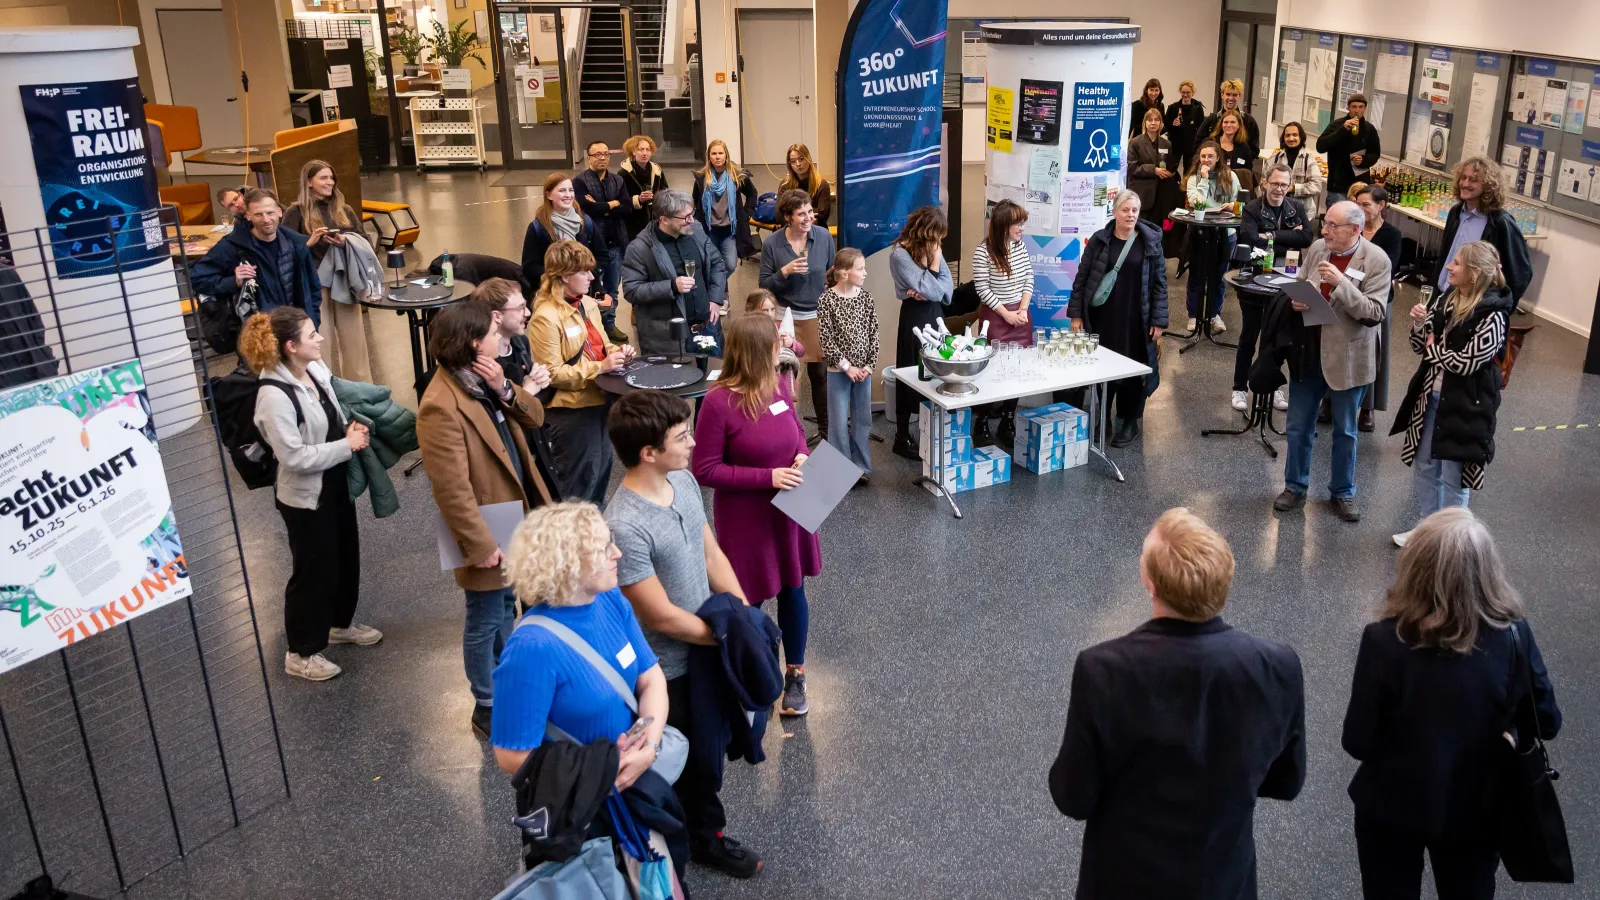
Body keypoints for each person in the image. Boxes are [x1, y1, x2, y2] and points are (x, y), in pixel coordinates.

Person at [1050, 507, 1305, 899]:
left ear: (1150, 584)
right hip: (1221, 880)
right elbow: (1287, 782)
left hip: (1125, 881)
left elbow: (1073, 797)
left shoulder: (1103, 670)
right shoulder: (1278, 666)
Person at [1342, 507, 1560, 899]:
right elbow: (1548, 721)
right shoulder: (1513, 635)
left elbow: (1358, 741)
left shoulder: (1384, 640)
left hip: (1393, 805)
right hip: (1479, 807)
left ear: (1416, 567)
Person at [604, 390, 763, 878]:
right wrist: (727, 638)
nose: (694, 443)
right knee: (683, 764)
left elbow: (710, 552)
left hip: (710, 644)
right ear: (648, 452)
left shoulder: (684, 482)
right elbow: (660, 616)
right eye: (681, 437)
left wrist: (741, 616)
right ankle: (684, 843)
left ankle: (702, 832)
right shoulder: (625, 525)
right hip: (668, 670)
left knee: (710, 755)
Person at [417, 302, 554, 736]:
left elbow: (535, 416)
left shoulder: (485, 378)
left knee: (503, 607)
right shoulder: (441, 404)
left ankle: (506, 680)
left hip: (512, 510)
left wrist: (507, 390)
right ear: (475, 344)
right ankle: (485, 702)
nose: (503, 340)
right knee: (484, 616)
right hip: (484, 521)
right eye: (495, 334)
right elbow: (451, 488)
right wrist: (478, 546)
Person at [237, 308, 378, 682]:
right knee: (313, 571)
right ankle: (300, 653)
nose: (319, 339)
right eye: (311, 334)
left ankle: (338, 624)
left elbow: (333, 405)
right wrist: (347, 446)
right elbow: (294, 457)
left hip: (334, 482)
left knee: (345, 558)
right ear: (290, 346)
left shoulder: (313, 369)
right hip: (304, 497)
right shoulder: (272, 395)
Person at [489, 501, 670, 792]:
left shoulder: (611, 600)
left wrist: (648, 747)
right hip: (584, 801)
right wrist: (601, 769)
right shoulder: (530, 649)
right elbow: (511, 756)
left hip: (634, 778)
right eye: (604, 549)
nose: (617, 553)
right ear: (566, 564)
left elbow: (652, 679)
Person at [691, 315, 820, 717]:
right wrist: (768, 477)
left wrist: (801, 452)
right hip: (747, 519)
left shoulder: (778, 382)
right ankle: (750, 672)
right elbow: (705, 469)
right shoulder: (717, 401)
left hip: (790, 509)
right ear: (753, 353)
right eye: (773, 347)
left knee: (793, 589)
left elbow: (796, 427)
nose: (782, 352)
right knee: (750, 600)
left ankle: (795, 675)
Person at [1389, 243, 1512, 549]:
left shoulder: (1493, 315)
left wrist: (1434, 348)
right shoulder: (1448, 299)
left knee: (1453, 477)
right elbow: (1421, 347)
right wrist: (1419, 324)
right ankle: (1427, 530)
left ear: (1474, 273)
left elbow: (1467, 363)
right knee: (1426, 465)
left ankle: (1453, 541)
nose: (1448, 267)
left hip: (1466, 406)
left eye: (1456, 264)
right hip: (1430, 398)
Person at [1274, 201, 1390, 523]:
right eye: (1324, 224)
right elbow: (1301, 281)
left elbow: (1375, 313)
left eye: (1331, 226)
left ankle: (1343, 491)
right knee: (1298, 426)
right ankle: (1295, 487)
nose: (1323, 230)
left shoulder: (1377, 260)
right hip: (1309, 350)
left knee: (1346, 430)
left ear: (1355, 229)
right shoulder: (1317, 249)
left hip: (1349, 357)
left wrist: (1343, 284)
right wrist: (1298, 299)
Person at [528, 240, 636, 507]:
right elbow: (552, 373)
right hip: (571, 413)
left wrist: (618, 352)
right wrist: (601, 367)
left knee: (600, 476)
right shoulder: (546, 317)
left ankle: (594, 540)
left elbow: (599, 343)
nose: (592, 277)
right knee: (578, 488)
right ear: (564, 276)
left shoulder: (586, 303)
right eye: (584, 272)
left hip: (600, 401)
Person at [1067, 192, 1166, 448]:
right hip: (1104, 318)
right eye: (1125, 210)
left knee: (1133, 371)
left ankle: (1128, 420)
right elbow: (1082, 278)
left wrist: (1159, 320)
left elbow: (1159, 285)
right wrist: (1076, 314)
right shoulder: (1100, 241)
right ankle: (1103, 419)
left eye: (1134, 210)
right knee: (1103, 368)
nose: (1131, 215)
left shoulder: (1150, 242)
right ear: (1114, 212)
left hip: (1136, 319)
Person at [468, 277, 562, 501]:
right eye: (520, 308)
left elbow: (539, 403)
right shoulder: (483, 365)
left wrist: (540, 383)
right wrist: (527, 390)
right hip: (510, 460)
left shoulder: (521, 344)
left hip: (535, 448)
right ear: (496, 316)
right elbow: (495, 421)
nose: (528, 313)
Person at [281, 160, 370, 383]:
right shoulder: (295, 212)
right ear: (309, 182)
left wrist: (344, 241)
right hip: (315, 285)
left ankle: (361, 390)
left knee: (354, 343)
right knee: (319, 341)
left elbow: (366, 241)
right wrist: (308, 243)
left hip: (345, 281)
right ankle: (322, 389)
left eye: (331, 178)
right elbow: (285, 251)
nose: (329, 182)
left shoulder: (344, 209)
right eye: (323, 178)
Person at [758, 189, 836, 442]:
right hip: (784, 317)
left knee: (820, 376)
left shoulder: (823, 237)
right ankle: (787, 433)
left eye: (810, 212)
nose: (808, 218)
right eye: (801, 213)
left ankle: (826, 432)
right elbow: (764, 285)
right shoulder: (772, 244)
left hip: (815, 315)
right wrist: (785, 271)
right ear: (788, 217)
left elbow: (831, 273)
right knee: (784, 378)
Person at [1236, 164, 1313, 412]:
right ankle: (1239, 388)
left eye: (1284, 184)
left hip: (1288, 279)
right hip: (1255, 277)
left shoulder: (1297, 207)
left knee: (1279, 337)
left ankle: (1275, 387)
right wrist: (1289, 234)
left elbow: (1307, 238)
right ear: (1265, 183)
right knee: (1250, 334)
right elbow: (1249, 238)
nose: (1279, 189)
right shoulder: (1251, 208)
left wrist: (1270, 235)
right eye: (1275, 183)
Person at [620, 189, 729, 357]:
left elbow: (717, 264)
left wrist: (715, 299)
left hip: (707, 329)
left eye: (692, 213)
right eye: (685, 217)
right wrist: (671, 286)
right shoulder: (639, 249)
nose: (691, 220)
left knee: (713, 379)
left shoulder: (696, 231)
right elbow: (632, 290)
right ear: (664, 220)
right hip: (667, 340)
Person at [192, 188, 322, 327]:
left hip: (296, 329)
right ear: (248, 215)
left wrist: (313, 321)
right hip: (259, 335)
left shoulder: (296, 243)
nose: (266, 219)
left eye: (270, 213)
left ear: (279, 212)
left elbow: (313, 287)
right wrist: (233, 282)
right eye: (258, 214)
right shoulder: (233, 246)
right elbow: (197, 278)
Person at [888, 206, 953, 459]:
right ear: (926, 231)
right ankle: (901, 436)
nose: (939, 241)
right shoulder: (900, 255)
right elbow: (936, 287)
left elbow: (945, 291)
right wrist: (933, 269)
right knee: (909, 370)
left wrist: (927, 284)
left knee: (936, 369)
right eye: (937, 234)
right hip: (914, 316)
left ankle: (932, 430)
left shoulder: (932, 247)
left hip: (934, 314)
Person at [970, 199, 1034, 448]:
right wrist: (1006, 315)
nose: (1021, 228)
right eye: (1017, 223)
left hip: (1021, 313)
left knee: (1016, 371)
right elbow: (982, 289)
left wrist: (1023, 308)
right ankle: (982, 421)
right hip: (996, 316)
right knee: (990, 370)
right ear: (1003, 225)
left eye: (1022, 223)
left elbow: (1029, 275)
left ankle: (1009, 419)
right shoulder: (982, 252)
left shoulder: (1020, 246)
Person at [1432, 156, 1533, 308]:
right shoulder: (1456, 212)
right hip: (1443, 296)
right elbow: (1445, 256)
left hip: (1473, 305)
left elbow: (1521, 273)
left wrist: (1501, 306)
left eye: (1473, 180)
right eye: (1463, 178)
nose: (1465, 184)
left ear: (1488, 186)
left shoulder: (1500, 222)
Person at [520, 172, 613, 328]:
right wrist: (561, 277)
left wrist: (587, 275)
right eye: (562, 191)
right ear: (549, 195)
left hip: (583, 296)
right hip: (553, 296)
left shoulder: (585, 222)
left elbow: (602, 255)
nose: (568, 195)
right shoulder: (538, 228)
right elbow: (530, 267)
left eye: (570, 190)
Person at [816, 247, 878, 482]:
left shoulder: (866, 297)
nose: (865, 273)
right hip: (838, 370)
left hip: (864, 372)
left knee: (863, 419)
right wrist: (846, 366)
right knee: (839, 421)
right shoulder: (827, 299)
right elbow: (826, 338)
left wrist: (869, 366)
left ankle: (861, 466)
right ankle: (840, 470)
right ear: (843, 274)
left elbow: (874, 334)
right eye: (860, 269)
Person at [1353, 183, 1402, 432]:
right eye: (1358, 204)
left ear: (1381, 206)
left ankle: (1367, 408)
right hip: (1348, 296)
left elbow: (1387, 267)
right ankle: (1330, 401)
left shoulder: (1392, 235)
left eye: (1366, 205)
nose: (1360, 209)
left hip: (1377, 300)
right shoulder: (1352, 228)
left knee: (1375, 352)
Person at [574, 141, 631, 342]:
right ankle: (592, 329)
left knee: (612, 289)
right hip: (591, 248)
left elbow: (626, 207)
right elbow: (585, 208)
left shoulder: (618, 181)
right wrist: (611, 205)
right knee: (591, 289)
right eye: (597, 154)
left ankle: (610, 326)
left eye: (606, 154)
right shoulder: (579, 182)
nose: (603, 158)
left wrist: (602, 206)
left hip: (616, 244)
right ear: (588, 157)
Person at [1183, 142, 1240, 335]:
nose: (1206, 160)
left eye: (1210, 156)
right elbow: (1196, 202)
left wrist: (1232, 205)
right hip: (1201, 232)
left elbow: (1239, 200)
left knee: (1219, 277)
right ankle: (1193, 314)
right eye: (1203, 156)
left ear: (1218, 158)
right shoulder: (1194, 177)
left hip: (1225, 232)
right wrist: (1205, 180)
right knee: (1197, 276)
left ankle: (1215, 314)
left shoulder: (1230, 176)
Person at [692, 139, 759, 272]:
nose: (717, 157)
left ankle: (717, 288)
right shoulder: (702, 178)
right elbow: (695, 201)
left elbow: (752, 194)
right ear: (709, 157)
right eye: (714, 153)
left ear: (726, 155)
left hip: (730, 229)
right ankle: (721, 292)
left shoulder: (737, 176)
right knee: (712, 265)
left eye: (721, 153)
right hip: (710, 229)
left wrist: (746, 213)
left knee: (730, 265)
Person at [1317, 93, 1381, 206]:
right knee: (1338, 220)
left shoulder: (1369, 129)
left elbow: (1375, 154)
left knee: (1358, 221)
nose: (1357, 110)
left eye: (1361, 107)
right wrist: (1342, 130)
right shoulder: (1337, 125)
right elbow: (1320, 146)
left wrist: (1364, 160)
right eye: (1354, 107)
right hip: (1338, 186)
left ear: (1365, 109)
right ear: (1348, 108)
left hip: (1360, 187)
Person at [746, 288, 805, 395]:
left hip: (785, 387)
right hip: (760, 385)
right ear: (752, 310)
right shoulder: (747, 331)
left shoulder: (779, 327)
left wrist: (791, 343)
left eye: (772, 309)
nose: (770, 314)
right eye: (765, 310)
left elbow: (801, 351)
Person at [1264, 121, 1325, 222]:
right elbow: (1263, 183)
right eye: (1287, 135)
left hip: (1302, 214)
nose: (1291, 138)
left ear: (1301, 137)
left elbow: (1316, 186)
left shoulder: (1309, 160)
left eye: (1295, 135)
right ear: (1283, 138)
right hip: (1275, 212)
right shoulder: (1274, 159)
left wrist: (1293, 188)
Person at [1128, 108, 1180, 225]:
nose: (1153, 123)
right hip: (1142, 193)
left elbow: (1169, 164)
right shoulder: (1136, 143)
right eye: (1149, 120)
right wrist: (1154, 170)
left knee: (1158, 231)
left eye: (1156, 120)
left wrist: (1171, 172)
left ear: (1161, 123)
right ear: (1145, 123)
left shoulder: (1167, 143)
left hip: (1161, 194)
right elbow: (1132, 167)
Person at [618, 134, 672, 244]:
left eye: (648, 150)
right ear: (633, 152)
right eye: (641, 149)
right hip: (633, 222)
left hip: (655, 218)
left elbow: (665, 191)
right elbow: (620, 198)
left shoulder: (657, 170)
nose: (645, 153)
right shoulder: (623, 173)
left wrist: (657, 197)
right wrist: (638, 199)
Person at [779, 143, 834, 228]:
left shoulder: (822, 184)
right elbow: (779, 214)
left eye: (801, 159)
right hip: (791, 230)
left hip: (815, 229)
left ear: (809, 159)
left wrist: (793, 214)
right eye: (793, 161)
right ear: (789, 164)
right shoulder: (785, 185)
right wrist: (809, 214)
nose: (798, 164)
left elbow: (823, 215)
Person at [1199, 78, 1258, 150]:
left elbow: (1254, 147)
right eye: (1228, 94)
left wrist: (1241, 158)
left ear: (1239, 96)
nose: (1231, 98)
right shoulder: (1212, 120)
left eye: (1234, 95)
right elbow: (1198, 143)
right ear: (1222, 95)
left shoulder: (1248, 121)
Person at [1164, 80, 1206, 174]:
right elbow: (1166, 127)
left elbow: (1201, 127)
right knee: (1171, 170)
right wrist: (1173, 124)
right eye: (1183, 92)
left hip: (1191, 145)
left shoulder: (1198, 108)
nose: (1185, 95)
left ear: (1192, 93)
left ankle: (1185, 188)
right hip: (1175, 145)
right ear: (1180, 92)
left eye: (1188, 92)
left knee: (1189, 172)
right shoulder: (1173, 108)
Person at [1211, 109, 1257, 188]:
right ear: (1221, 125)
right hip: (1213, 186)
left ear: (1239, 125)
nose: (1229, 125)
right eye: (1225, 122)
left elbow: (1247, 172)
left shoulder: (1244, 147)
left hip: (1236, 188)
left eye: (1232, 122)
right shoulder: (1212, 144)